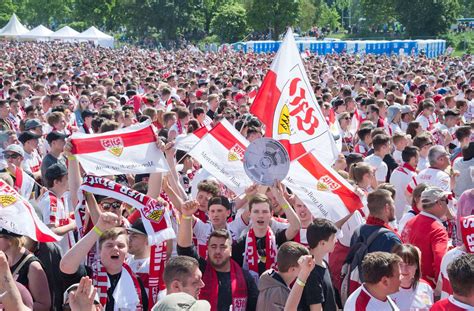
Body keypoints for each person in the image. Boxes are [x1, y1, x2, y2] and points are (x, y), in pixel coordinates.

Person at [60, 213, 148, 310]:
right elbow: (66, 266)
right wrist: (98, 228)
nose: (115, 249)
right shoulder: (88, 275)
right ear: (100, 251)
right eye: (109, 245)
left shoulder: (136, 280)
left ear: (127, 252)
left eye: (121, 246)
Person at [178, 203, 258, 311]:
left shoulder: (245, 278)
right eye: (213, 246)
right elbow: (185, 249)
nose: (217, 251)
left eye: (223, 247)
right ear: (208, 249)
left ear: (230, 251)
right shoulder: (200, 270)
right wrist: (187, 216)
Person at [232, 188, 301, 280]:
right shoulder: (239, 244)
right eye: (256, 212)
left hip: (274, 292)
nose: (261, 215)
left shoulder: (278, 237)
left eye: (265, 212)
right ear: (249, 214)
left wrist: (281, 199)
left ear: (271, 214)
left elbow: (296, 226)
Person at [401, 186, 450, 288]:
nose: (447, 204)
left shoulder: (410, 222)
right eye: (446, 200)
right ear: (439, 203)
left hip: (407, 282)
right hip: (428, 286)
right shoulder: (438, 229)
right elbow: (440, 258)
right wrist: (439, 283)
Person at [0, 229, 51, 310]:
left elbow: (44, 305)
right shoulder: (3, 260)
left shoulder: (33, 266)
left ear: (10, 240)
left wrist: (12, 305)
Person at [257, 241, 312, 310]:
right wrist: (302, 278)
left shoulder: (278, 286)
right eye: (303, 264)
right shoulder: (277, 292)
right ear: (292, 269)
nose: (307, 266)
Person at [298, 218, 339, 311]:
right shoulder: (311, 272)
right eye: (333, 238)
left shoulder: (324, 264)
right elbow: (316, 308)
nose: (336, 241)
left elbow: (331, 298)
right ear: (322, 243)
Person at [390, 244, 434, 310]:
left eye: (409, 264)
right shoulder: (385, 291)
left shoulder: (425, 287)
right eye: (400, 265)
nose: (404, 269)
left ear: (416, 266)